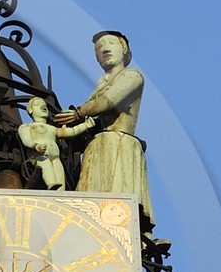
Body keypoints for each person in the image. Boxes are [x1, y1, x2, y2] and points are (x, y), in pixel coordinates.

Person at [55, 29, 153, 228]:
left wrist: (78, 113)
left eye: (110, 43)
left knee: (117, 203)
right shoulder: (99, 87)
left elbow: (109, 102)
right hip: (98, 146)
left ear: (124, 49)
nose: (104, 49)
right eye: (99, 48)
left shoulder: (132, 76)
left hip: (117, 143)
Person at [16, 94, 66, 190]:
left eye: (45, 105)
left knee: (59, 172)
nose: (44, 106)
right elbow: (26, 140)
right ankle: (51, 184)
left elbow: (69, 132)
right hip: (38, 156)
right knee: (45, 163)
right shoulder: (26, 127)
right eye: (38, 104)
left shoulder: (52, 129)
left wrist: (85, 125)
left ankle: (61, 193)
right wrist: (36, 146)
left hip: (55, 158)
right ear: (31, 110)